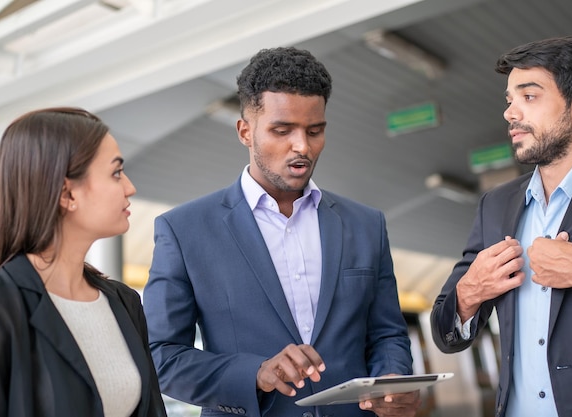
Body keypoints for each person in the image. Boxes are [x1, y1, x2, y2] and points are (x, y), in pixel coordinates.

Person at [143, 46, 420, 417]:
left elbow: (387, 334)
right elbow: (161, 356)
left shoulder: (366, 225)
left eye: (315, 130)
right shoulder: (184, 230)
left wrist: (392, 379)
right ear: (245, 131)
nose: (302, 146)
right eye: (282, 130)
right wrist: (254, 373)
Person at [430, 34, 572, 417]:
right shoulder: (495, 205)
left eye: (529, 96)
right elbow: (444, 333)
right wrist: (469, 293)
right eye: (509, 100)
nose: (510, 113)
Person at [0, 107, 167, 417]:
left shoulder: (125, 303)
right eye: (116, 173)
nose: (130, 187)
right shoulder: (5, 302)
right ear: (66, 194)